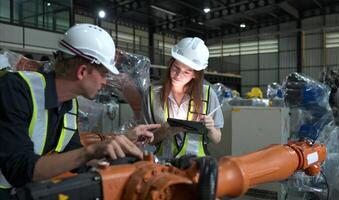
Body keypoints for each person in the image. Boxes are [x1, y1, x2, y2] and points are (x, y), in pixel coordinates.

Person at [0, 23, 160, 198]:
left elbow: (73, 157)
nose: (106, 82)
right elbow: (18, 168)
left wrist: (117, 148)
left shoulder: (69, 105)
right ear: (82, 71)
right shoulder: (15, 89)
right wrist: (90, 151)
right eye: (104, 74)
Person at [147, 37, 224, 160]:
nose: (178, 75)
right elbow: (146, 140)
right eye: (176, 68)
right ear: (171, 63)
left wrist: (210, 128)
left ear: (195, 74)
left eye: (186, 72)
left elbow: (217, 139)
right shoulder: (153, 94)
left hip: (195, 167)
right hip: (162, 165)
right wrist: (165, 130)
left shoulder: (208, 95)